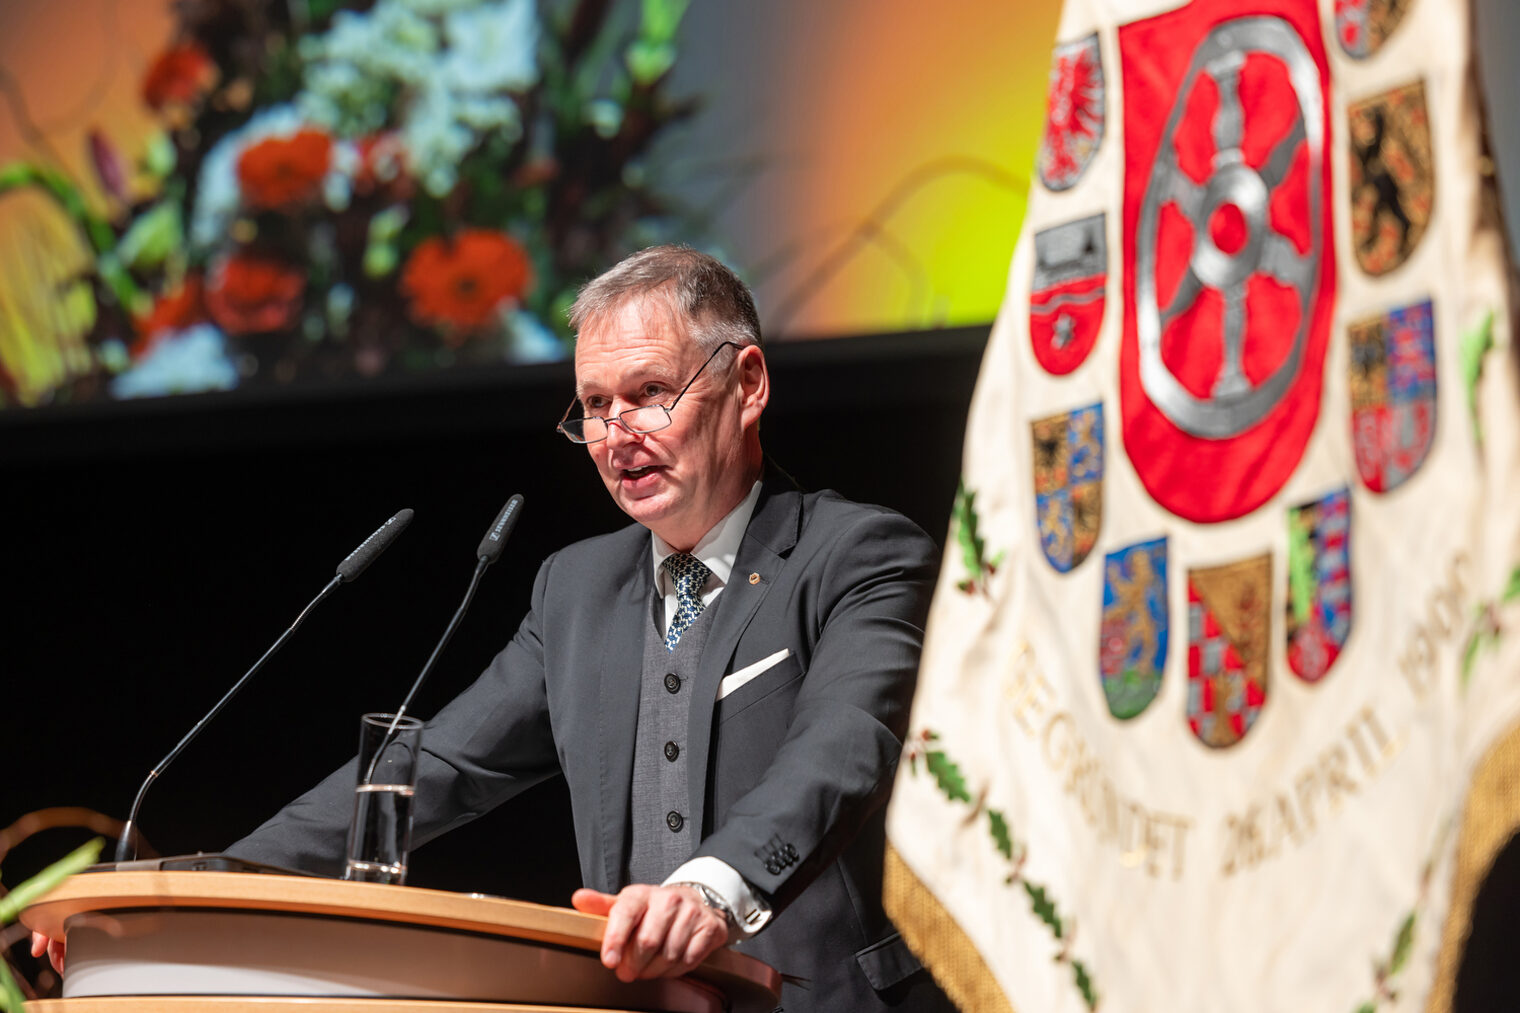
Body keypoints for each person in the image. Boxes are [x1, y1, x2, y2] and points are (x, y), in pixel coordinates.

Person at [38, 245, 950, 1011]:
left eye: (649, 392)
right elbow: (432, 771)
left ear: (746, 383)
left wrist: (714, 888)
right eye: (594, 406)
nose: (617, 431)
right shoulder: (576, 589)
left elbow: (842, 749)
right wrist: (209, 888)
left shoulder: (858, 553)